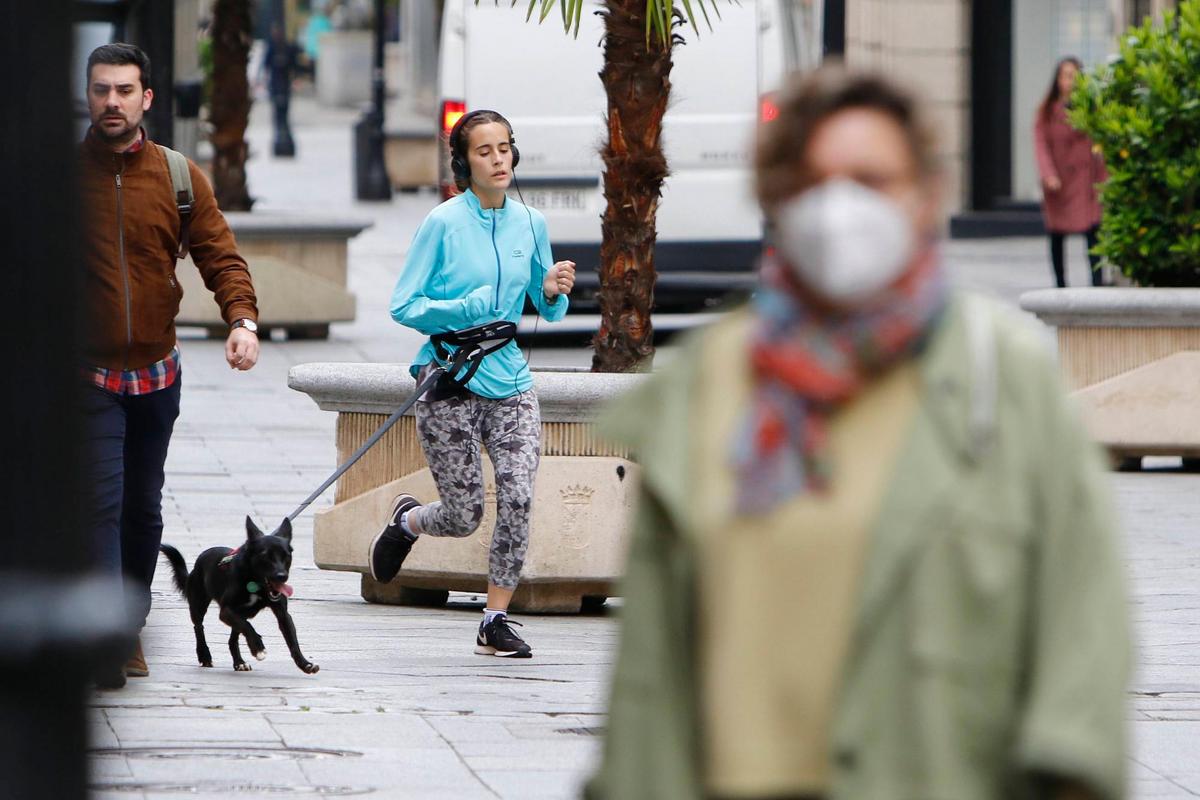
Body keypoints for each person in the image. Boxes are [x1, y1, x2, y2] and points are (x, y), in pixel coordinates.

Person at [586, 66, 1129, 800]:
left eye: (871, 180)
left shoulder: (1002, 382)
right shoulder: (710, 385)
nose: (840, 208)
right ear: (779, 199)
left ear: (925, 195)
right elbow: (651, 675)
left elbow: (1082, 632)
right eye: (814, 182)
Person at [80, 43, 260, 688]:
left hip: (156, 373)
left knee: (142, 508)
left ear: (146, 98)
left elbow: (220, 253)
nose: (112, 102)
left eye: (125, 90)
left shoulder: (179, 176)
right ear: (89, 95)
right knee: (100, 503)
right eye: (102, 90)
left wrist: (242, 320)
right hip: (86, 375)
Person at [368, 109, 576, 659]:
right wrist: (464, 309)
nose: (498, 159)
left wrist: (553, 289)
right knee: (464, 516)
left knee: (518, 494)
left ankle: (495, 618)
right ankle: (409, 519)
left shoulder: (531, 223)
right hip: (451, 378)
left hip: (511, 379)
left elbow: (547, 307)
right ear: (464, 162)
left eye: (505, 147)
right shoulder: (442, 223)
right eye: (485, 151)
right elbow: (404, 305)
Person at [1035, 56, 1109, 288]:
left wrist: (1105, 179)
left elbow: (1101, 143)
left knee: (1093, 232)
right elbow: (1041, 146)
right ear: (1057, 80)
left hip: (1087, 183)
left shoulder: (1090, 109)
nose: (1070, 81)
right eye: (1066, 76)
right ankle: (1060, 283)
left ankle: (1097, 283)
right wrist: (1048, 174)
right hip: (1060, 182)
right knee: (1057, 234)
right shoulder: (1047, 112)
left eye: (1074, 76)